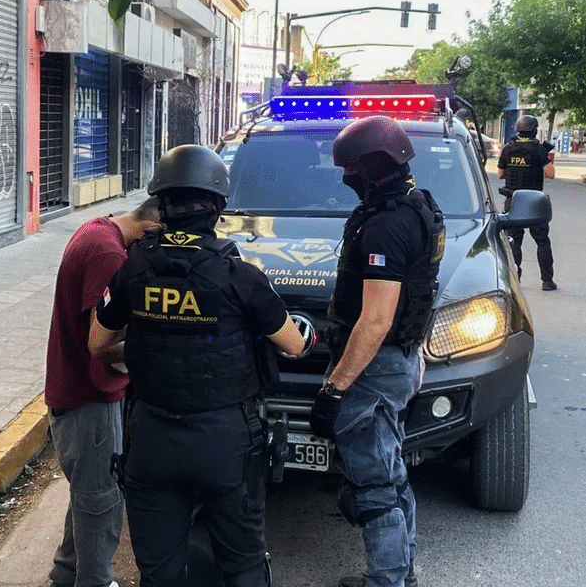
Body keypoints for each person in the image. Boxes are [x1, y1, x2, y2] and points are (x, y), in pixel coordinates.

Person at [88, 144, 306, 587]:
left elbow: (97, 343)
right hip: (225, 442)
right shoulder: (240, 276)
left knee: (160, 572)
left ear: (163, 206)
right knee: (242, 564)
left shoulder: (133, 269)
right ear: (218, 208)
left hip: (151, 438)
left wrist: (153, 339)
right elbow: (293, 345)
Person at [309, 116, 445, 587]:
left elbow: (377, 318)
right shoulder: (416, 207)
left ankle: (387, 579)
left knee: (373, 483)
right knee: (391, 470)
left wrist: (333, 388)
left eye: (350, 169)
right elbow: (420, 294)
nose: (345, 177)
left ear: (371, 168)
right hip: (397, 359)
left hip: (374, 366)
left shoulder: (387, 225)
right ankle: (402, 572)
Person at [44, 196, 162, 587]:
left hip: (75, 391)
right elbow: (103, 343)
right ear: (150, 230)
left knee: (87, 491)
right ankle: (93, 580)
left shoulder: (98, 228)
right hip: (88, 398)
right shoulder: (108, 255)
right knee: (102, 502)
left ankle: (67, 572)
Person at [497, 114, 556, 290]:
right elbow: (550, 174)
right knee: (542, 240)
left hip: (513, 200)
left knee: (514, 240)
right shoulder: (539, 150)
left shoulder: (508, 148)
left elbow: (500, 174)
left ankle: (516, 279)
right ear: (534, 130)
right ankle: (547, 281)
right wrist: (545, 157)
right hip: (534, 202)